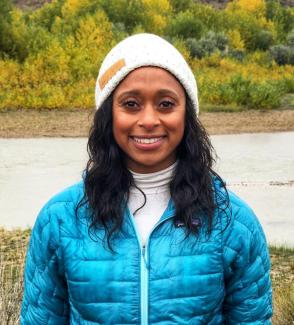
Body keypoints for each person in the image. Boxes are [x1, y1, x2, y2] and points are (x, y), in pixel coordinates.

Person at [21, 33, 272, 324]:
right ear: (109, 115)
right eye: (131, 104)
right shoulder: (60, 219)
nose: (150, 120)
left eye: (166, 104)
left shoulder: (234, 222)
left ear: (186, 115)